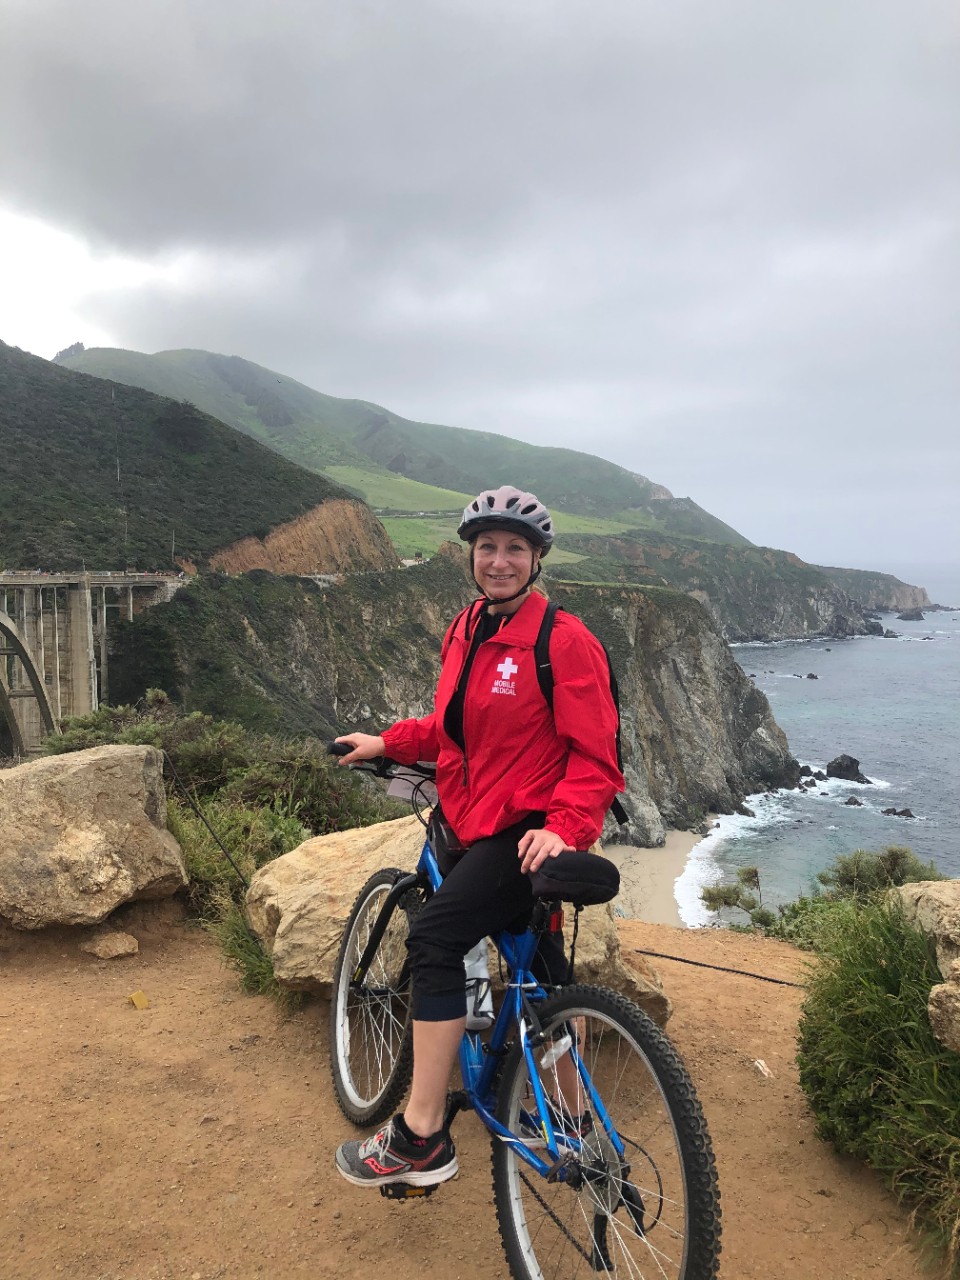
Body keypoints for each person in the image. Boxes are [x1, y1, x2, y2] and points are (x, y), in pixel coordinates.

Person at [333, 484, 624, 1189]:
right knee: (545, 976)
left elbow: (597, 757)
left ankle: (422, 1134)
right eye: (487, 548)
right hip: (467, 819)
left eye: (514, 550)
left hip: (523, 831)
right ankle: (573, 1130)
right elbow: (450, 726)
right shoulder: (466, 628)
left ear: (537, 559)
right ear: (471, 556)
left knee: (434, 940)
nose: (499, 561)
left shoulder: (565, 641)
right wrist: (386, 742)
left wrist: (563, 829)